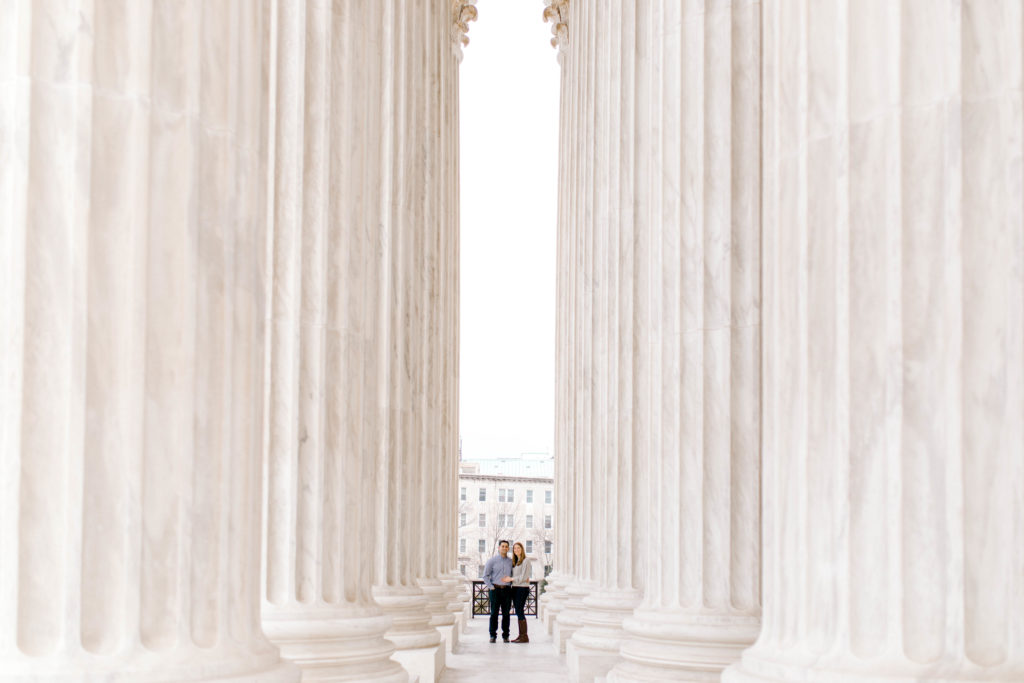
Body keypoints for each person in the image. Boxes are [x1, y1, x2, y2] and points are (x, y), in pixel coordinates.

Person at [481, 539, 513, 643]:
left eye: (506, 546)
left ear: (508, 548)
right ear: (499, 548)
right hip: (495, 590)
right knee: (494, 613)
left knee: (506, 614)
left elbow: (513, 576)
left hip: (507, 591)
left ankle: (506, 636)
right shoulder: (492, 561)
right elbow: (485, 576)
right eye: (502, 546)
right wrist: (491, 587)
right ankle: (492, 635)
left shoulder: (511, 562)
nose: (504, 548)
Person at [507, 541, 532, 643]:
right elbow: (520, 577)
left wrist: (511, 579)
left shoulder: (526, 560)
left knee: (520, 611)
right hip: (515, 588)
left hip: (522, 589)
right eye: (515, 548)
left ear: (522, 549)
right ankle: (521, 635)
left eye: (518, 548)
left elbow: (524, 577)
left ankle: (524, 636)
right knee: (518, 611)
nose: (516, 550)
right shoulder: (515, 561)